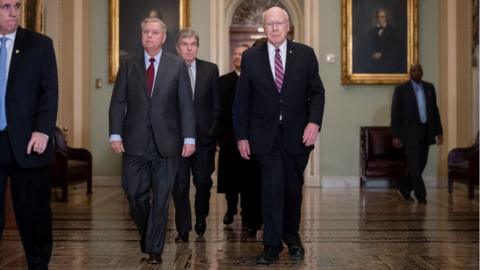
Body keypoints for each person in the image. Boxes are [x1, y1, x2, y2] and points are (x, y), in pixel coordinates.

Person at [233, 6, 325, 264]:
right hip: (264, 136)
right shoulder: (252, 57)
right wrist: (241, 136)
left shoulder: (305, 55)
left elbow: (317, 93)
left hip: (297, 136)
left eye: (279, 23)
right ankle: (271, 245)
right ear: (264, 27)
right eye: (269, 23)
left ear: (288, 26)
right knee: (272, 187)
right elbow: (242, 100)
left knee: (293, 189)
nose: (274, 28)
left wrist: (314, 122)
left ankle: (292, 237)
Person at [109, 17, 195, 264]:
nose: (149, 36)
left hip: (168, 143)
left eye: (154, 32)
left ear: (163, 37)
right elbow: (118, 102)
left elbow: (185, 105)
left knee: (161, 198)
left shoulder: (176, 65)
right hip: (134, 141)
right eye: (145, 31)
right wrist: (115, 133)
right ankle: (150, 235)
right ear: (141, 35)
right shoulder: (128, 63)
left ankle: (154, 249)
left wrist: (189, 138)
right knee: (133, 192)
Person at [0, 0, 58, 268]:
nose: (13, 12)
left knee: (34, 216)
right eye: (5, 6)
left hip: (28, 142)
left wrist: (43, 130)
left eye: (17, 6)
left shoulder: (40, 44)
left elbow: (50, 92)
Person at [172, 28, 220, 241]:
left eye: (193, 44)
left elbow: (217, 105)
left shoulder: (210, 70)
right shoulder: (169, 69)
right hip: (177, 140)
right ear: (177, 48)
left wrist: (212, 133)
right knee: (180, 185)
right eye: (185, 44)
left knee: (202, 182)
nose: (189, 48)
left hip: (203, 140)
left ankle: (201, 217)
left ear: (197, 47)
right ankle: (183, 227)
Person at [217, 44, 262, 234]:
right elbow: (218, 111)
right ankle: (230, 208)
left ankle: (246, 212)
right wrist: (218, 137)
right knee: (229, 176)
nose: (237, 57)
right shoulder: (222, 81)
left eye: (241, 54)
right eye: (234, 53)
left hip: (249, 137)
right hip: (228, 136)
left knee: (247, 177)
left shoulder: (255, 80)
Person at [391, 64, 443, 204]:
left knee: (422, 163)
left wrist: (439, 132)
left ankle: (405, 188)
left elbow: (435, 111)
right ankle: (421, 195)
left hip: (426, 132)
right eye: (414, 70)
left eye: (419, 70)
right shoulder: (402, 89)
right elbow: (395, 114)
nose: (417, 72)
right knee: (414, 165)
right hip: (409, 133)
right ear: (410, 73)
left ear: (422, 72)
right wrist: (395, 135)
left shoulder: (429, 88)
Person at [363, 8, 404, 73]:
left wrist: (382, 54)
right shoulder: (372, 31)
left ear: (386, 18)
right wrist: (372, 54)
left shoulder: (393, 31)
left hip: (388, 64)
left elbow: (396, 49)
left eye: (382, 17)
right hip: (373, 64)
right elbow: (367, 45)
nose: (379, 19)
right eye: (378, 17)